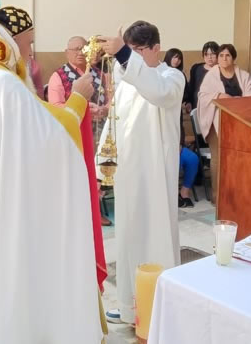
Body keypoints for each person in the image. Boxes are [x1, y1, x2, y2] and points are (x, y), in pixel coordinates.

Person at [0, 6, 105, 344]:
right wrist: (79, 98)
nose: (31, 50)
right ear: (10, 39)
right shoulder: (2, 82)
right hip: (8, 200)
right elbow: (48, 138)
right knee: (13, 268)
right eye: (28, 42)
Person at [98, 21, 186, 325]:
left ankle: (159, 310)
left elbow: (157, 92)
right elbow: (115, 120)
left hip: (155, 174)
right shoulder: (127, 82)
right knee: (128, 239)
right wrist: (102, 163)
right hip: (128, 173)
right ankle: (129, 307)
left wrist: (123, 53)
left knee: (156, 237)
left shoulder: (171, 78)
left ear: (156, 48)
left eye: (137, 50)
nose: (131, 58)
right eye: (130, 50)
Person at [48, 36, 112, 226]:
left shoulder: (101, 74)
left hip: (100, 132)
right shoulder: (58, 76)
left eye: (83, 48)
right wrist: (82, 110)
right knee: (78, 171)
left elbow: (113, 100)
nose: (80, 52)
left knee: (101, 169)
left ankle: (95, 208)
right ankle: (78, 211)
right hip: (74, 134)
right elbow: (55, 107)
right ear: (66, 52)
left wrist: (104, 109)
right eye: (75, 49)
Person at [197, 44, 251, 204]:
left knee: (239, 157)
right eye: (221, 55)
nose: (224, 58)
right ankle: (217, 195)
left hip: (239, 122)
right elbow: (203, 96)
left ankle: (236, 193)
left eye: (227, 55)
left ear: (233, 58)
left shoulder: (243, 75)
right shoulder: (211, 76)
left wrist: (235, 101)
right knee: (218, 158)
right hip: (216, 121)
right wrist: (219, 95)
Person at [163, 48, 199, 208]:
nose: (176, 60)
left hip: (176, 143)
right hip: (160, 147)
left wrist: (179, 143)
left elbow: (179, 126)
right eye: (174, 57)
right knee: (171, 162)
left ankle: (184, 192)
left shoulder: (176, 107)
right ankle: (169, 195)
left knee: (192, 159)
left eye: (179, 58)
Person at [187, 41, 219, 110]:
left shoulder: (221, 70)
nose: (209, 57)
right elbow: (191, 86)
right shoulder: (196, 68)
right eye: (206, 54)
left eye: (213, 54)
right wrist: (188, 101)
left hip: (214, 107)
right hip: (197, 106)